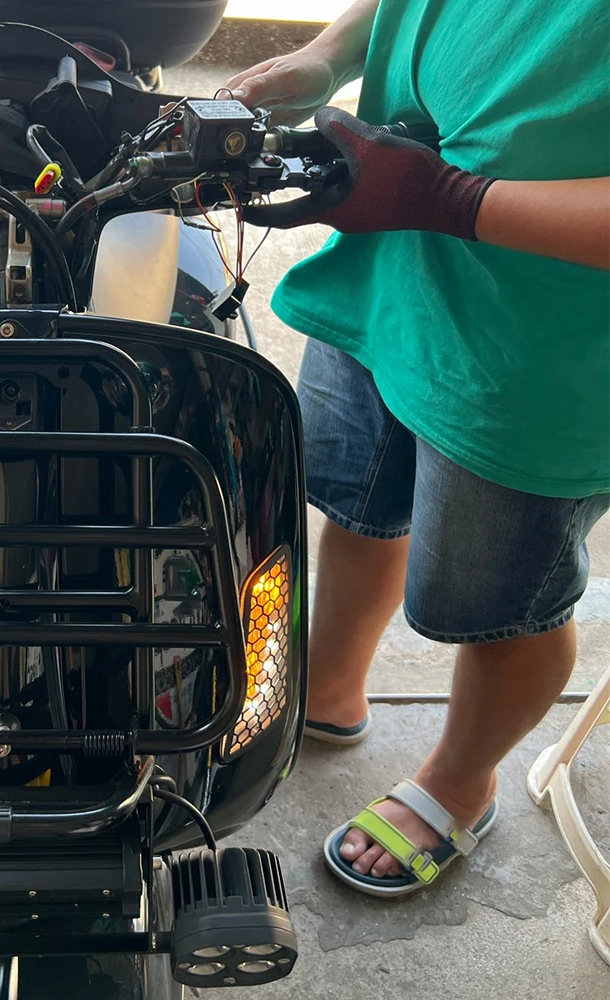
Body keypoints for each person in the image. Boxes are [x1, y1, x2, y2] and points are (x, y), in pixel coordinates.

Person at [223, 0, 610, 896]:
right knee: (359, 503)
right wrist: (330, 54)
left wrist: (450, 198)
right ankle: (325, 691)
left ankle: (460, 783)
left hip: (539, 360)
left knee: (501, 606)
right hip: (389, 270)